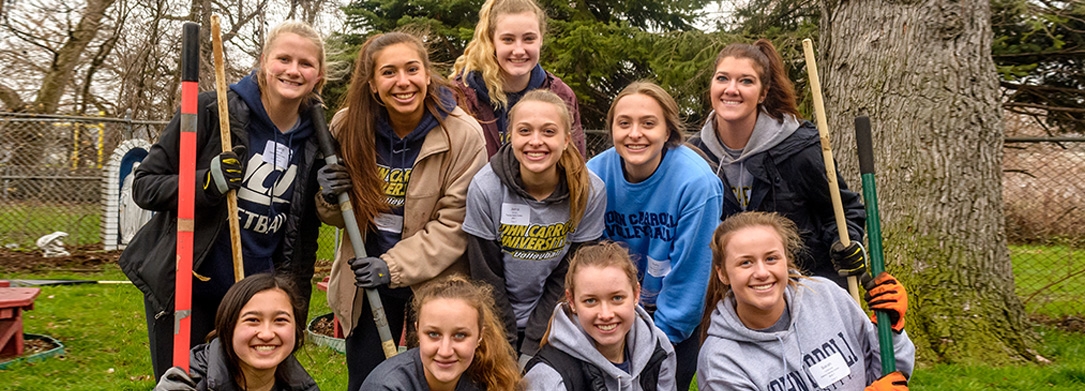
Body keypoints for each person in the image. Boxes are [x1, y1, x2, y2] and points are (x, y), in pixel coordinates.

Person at [120, 20, 327, 381]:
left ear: (319, 75)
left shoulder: (317, 141)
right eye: (284, 59)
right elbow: (146, 185)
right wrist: (206, 183)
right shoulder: (212, 112)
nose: (294, 70)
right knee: (185, 384)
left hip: (256, 299)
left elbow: (303, 238)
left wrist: (296, 307)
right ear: (264, 62)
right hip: (192, 287)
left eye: (306, 64)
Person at [315, 31, 488, 391]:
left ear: (427, 75)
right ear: (374, 85)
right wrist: (330, 197)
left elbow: (454, 223)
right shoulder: (348, 127)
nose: (403, 82)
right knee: (367, 380)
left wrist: (391, 267)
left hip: (434, 279)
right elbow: (338, 216)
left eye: (412, 69)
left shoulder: (463, 135)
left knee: (437, 377)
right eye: (389, 73)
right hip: (365, 276)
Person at [687, 39, 867, 288]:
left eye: (746, 81)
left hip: (805, 289)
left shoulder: (799, 148)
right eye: (722, 78)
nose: (731, 89)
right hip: (731, 297)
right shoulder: (695, 158)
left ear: (763, 93)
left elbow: (843, 210)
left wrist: (847, 243)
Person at [585, 81, 723, 391]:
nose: (635, 134)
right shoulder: (594, 176)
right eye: (624, 124)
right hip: (610, 312)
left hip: (673, 319)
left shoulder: (696, 184)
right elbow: (585, 258)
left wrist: (652, 343)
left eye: (648, 124)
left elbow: (690, 280)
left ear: (668, 132)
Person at [463, 89, 606, 364]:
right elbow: (487, 276)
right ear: (510, 136)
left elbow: (570, 276)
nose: (535, 141)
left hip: (557, 318)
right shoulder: (486, 188)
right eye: (525, 131)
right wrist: (505, 346)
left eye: (549, 132)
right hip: (493, 317)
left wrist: (532, 346)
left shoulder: (591, 190)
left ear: (566, 140)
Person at [697, 211, 914, 391]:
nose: (762, 272)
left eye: (771, 258)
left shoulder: (826, 296)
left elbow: (890, 374)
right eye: (746, 263)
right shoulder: (722, 361)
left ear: (786, 261)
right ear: (723, 274)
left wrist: (890, 329)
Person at [523, 241, 677, 390]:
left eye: (617, 298)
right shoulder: (550, 378)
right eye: (591, 301)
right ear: (572, 301)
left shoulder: (658, 346)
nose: (606, 314)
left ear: (636, 294)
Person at [450, 0, 586, 158]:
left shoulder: (561, 96)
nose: (519, 50)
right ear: (491, 41)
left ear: (541, 40)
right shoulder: (460, 97)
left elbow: (575, 166)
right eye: (508, 39)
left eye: (529, 39)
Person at [154, 273, 318, 391]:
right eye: (253, 320)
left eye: (280, 320)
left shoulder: (302, 386)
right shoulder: (190, 383)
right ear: (228, 327)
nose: (266, 334)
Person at [360, 276, 523, 390]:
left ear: (480, 336)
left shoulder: (489, 380)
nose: (445, 351)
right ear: (418, 332)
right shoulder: (385, 386)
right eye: (433, 334)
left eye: (460, 336)